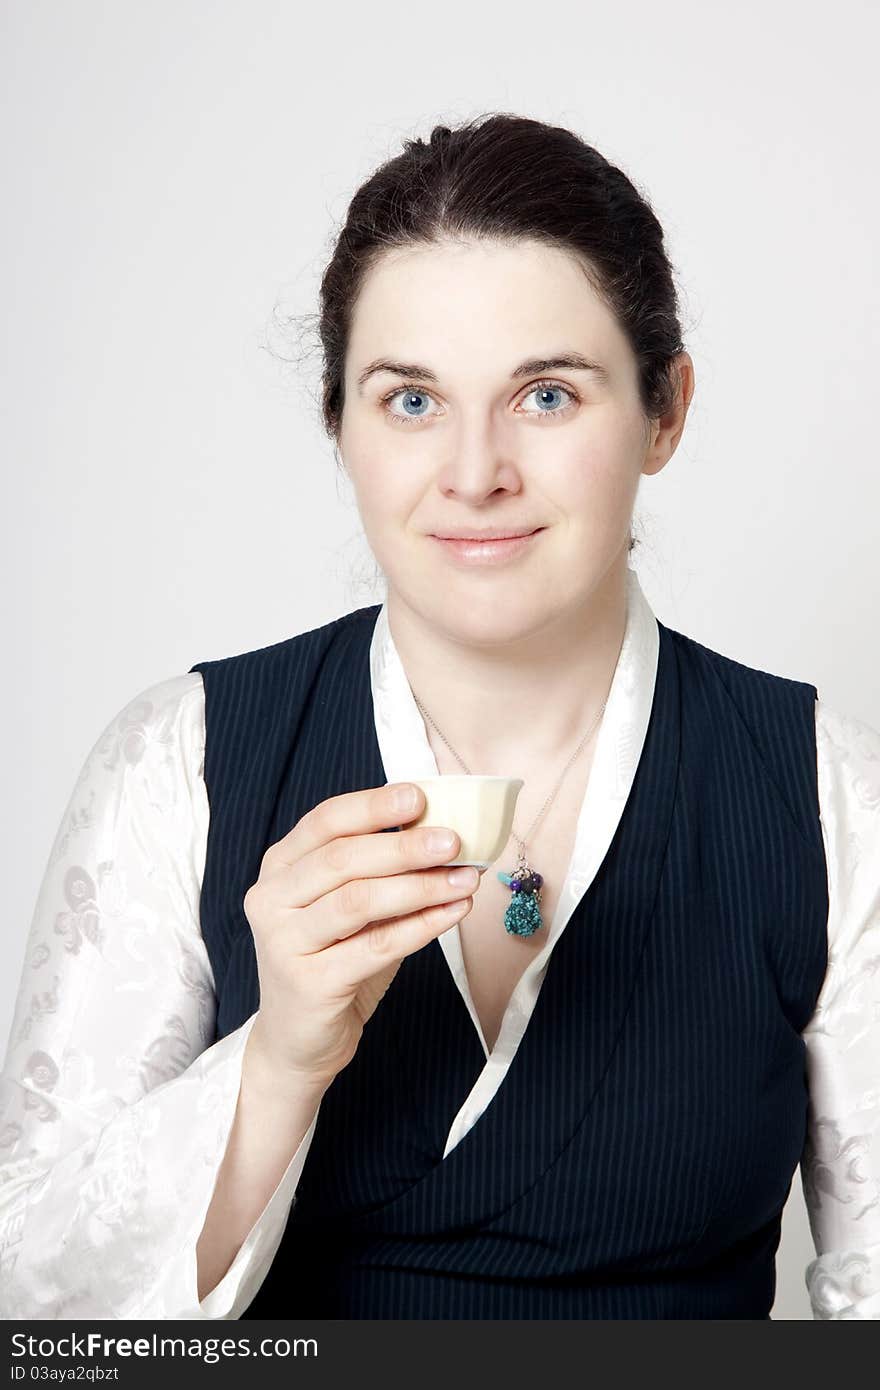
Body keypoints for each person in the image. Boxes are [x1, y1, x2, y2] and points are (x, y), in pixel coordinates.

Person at [2, 112, 878, 1322]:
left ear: (664, 411)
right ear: (338, 422)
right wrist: (276, 1062)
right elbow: (41, 1318)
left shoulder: (823, 789)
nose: (473, 471)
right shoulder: (180, 763)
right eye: (410, 399)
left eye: (547, 395)